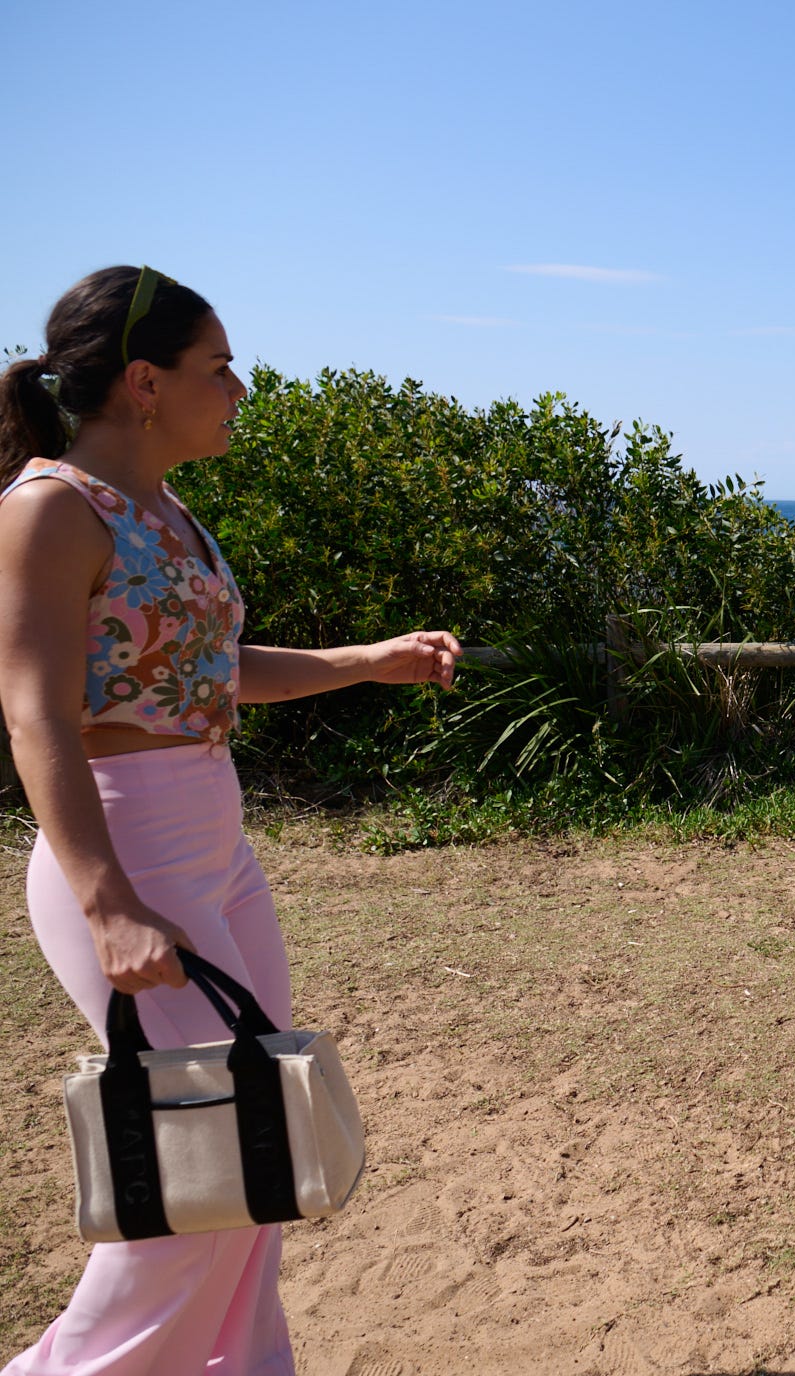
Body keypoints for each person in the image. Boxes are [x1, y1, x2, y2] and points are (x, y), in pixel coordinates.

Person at [0, 266, 460, 1376]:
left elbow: (203, 673)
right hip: (122, 849)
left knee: (257, 1144)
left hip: (216, 843)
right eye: (219, 368)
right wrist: (110, 901)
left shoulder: (167, 511)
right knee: (188, 1166)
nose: (241, 387)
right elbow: (33, 711)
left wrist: (368, 660)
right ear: (146, 381)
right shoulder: (49, 506)